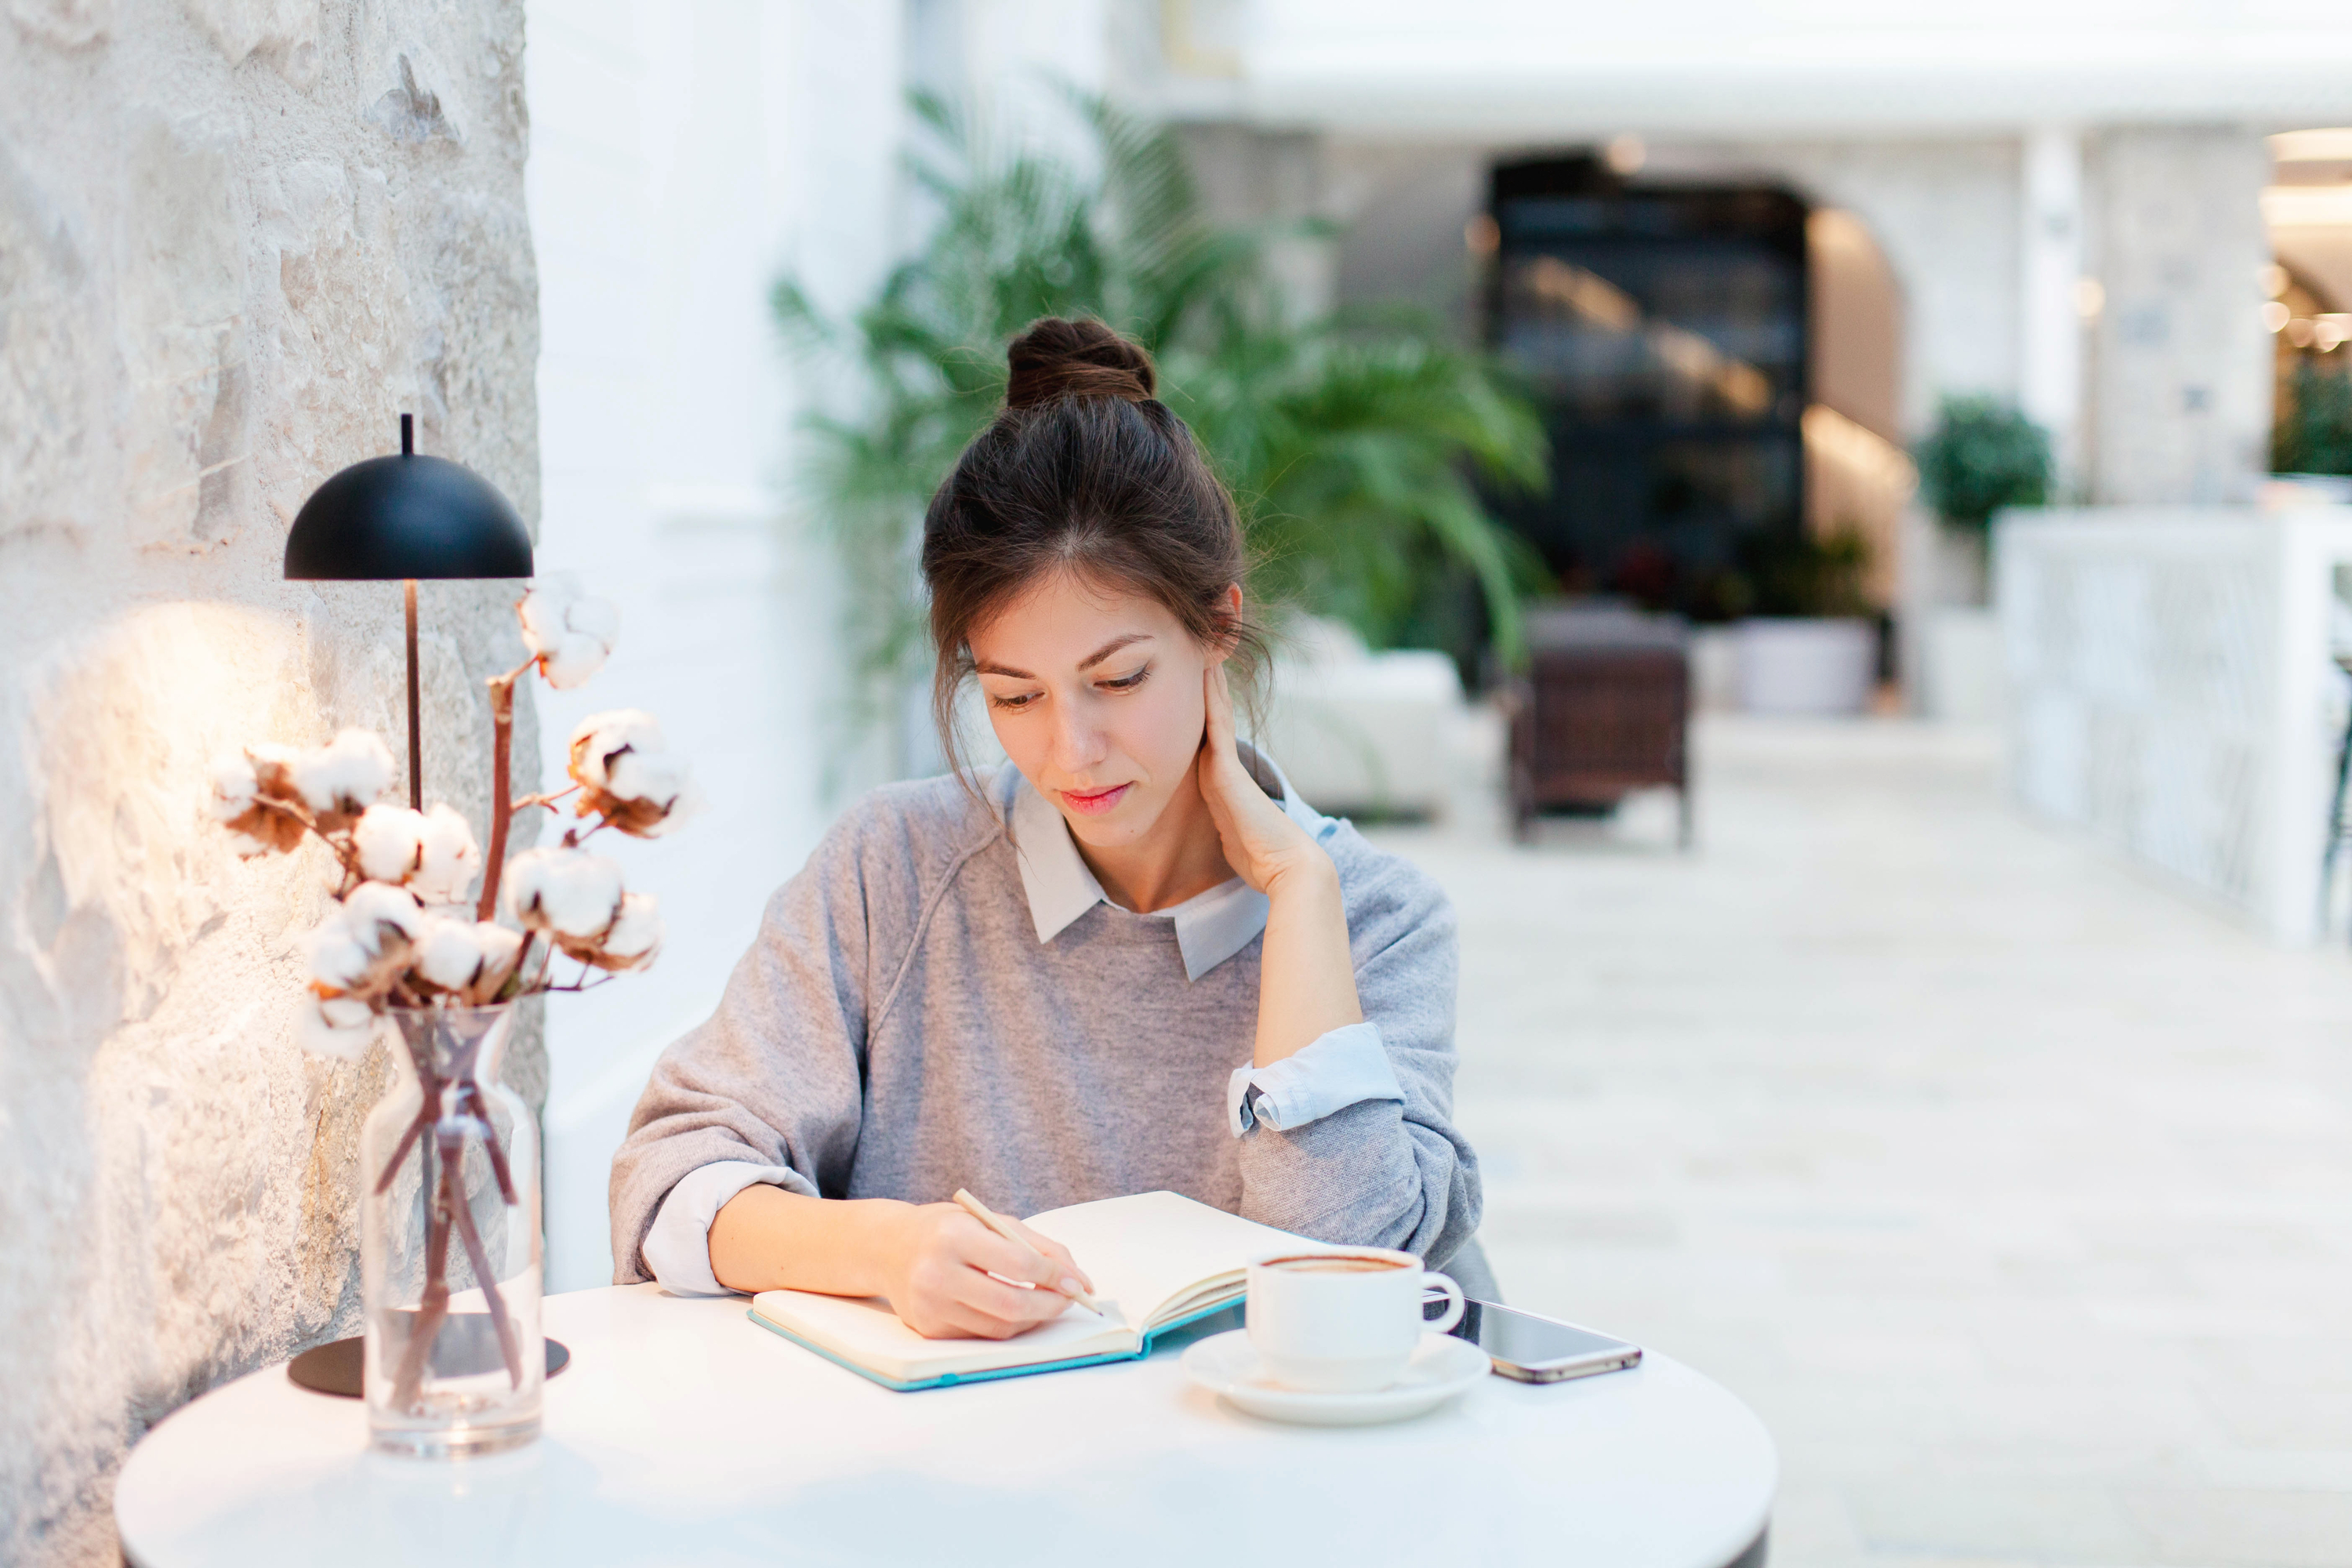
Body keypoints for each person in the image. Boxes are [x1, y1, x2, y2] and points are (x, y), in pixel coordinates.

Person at [609, 317, 1486, 1340]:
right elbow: (664, 1186)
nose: (1071, 751)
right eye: (1016, 697)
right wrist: (887, 1250)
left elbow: (1343, 1268)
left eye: (1116, 680)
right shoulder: (890, 870)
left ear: (1219, 628)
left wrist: (1297, 895)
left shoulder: (1376, 920)